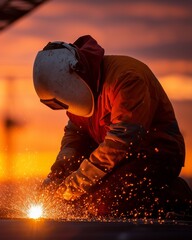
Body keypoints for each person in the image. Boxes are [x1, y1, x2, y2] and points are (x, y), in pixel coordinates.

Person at [33, 35, 192, 218]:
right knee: (81, 200)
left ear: (72, 81)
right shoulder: (80, 91)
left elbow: (122, 142)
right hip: (117, 158)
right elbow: (75, 136)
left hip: (156, 153)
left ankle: (180, 200)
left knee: (105, 202)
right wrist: (57, 176)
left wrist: (73, 186)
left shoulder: (127, 78)